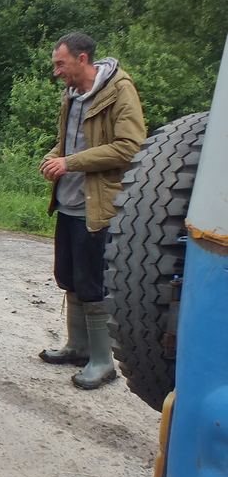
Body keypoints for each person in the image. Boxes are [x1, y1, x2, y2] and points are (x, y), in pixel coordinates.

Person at [39, 33, 146, 389]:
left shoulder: (119, 90)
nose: (57, 71)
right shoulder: (70, 96)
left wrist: (70, 163)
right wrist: (55, 157)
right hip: (68, 202)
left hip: (97, 204)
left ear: (82, 59)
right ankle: (78, 346)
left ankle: (103, 362)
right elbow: (67, 143)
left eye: (61, 64)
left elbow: (130, 147)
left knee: (92, 282)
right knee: (68, 275)